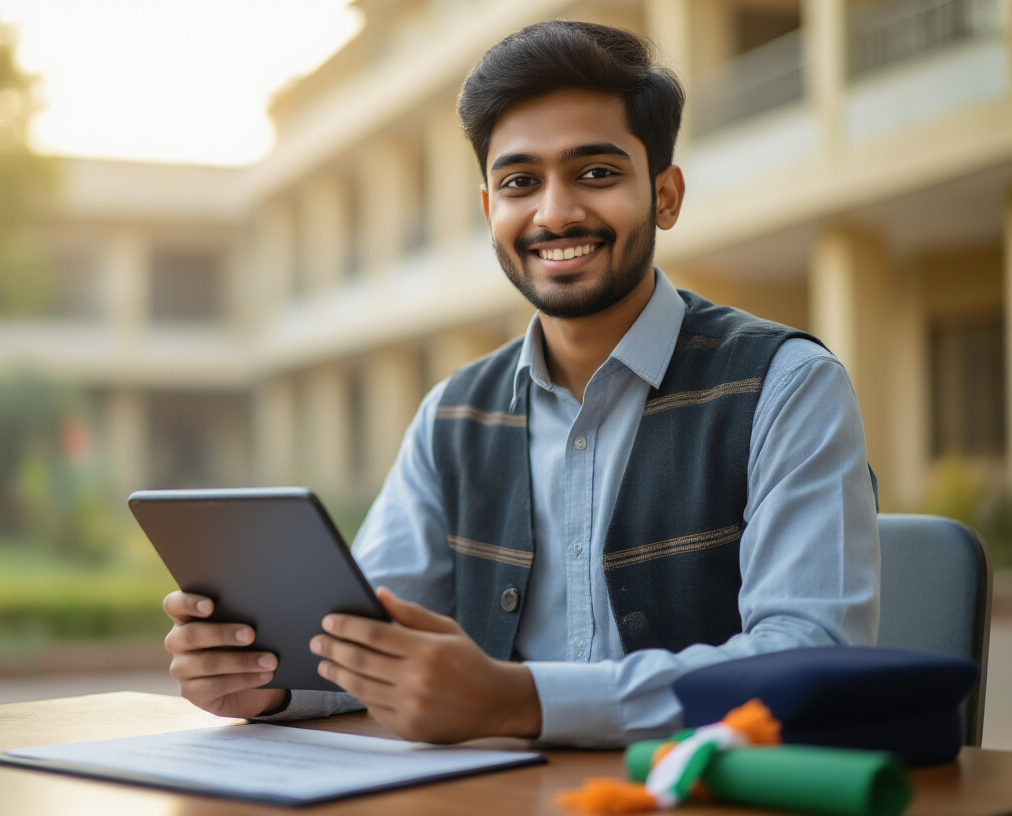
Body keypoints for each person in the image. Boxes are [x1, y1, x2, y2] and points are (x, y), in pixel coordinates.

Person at [162, 20, 879, 748]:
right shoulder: (453, 415)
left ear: (665, 195)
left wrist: (519, 700)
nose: (555, 212)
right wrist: (266, 675)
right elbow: (361, 638)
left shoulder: (786, 386)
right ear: (489, 213)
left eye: (596, 173)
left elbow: (808, 660)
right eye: (519, 182)